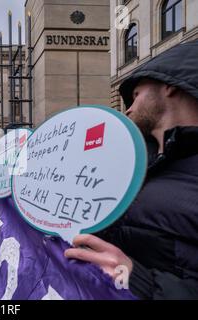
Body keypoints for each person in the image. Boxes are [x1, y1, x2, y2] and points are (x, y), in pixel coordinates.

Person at [64, 41, 198, 299]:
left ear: (169, 84)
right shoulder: (129, 164)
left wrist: (136, 279)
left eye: (135, 95)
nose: (127, 107)